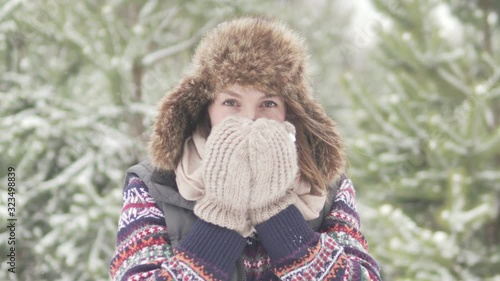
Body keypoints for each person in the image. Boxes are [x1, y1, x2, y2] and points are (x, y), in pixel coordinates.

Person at [110, 16, 381, 281]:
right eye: (231, 102)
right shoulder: (154, 184)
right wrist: (223, 216)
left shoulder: (328, 187)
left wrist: (277, 214)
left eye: (268, 103)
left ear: (289, 112)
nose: (250, 118)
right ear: (206, 109)